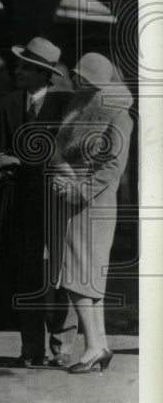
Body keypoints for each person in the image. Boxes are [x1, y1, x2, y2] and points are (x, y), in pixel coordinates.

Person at [0, 36, 77, 368]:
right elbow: (3, 148)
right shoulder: (10, 103)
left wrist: (21, 161)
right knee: (28, 274)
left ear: (43, 74)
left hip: (57, 201)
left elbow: (68, 153)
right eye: (20, 65)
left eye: (26, 67)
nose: (18, 71)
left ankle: (62, 345)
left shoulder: (66, 103)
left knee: (60, 273)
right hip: (23, 205)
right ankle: (31, 348)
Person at [49, 52, 132, 374]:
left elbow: (113, 166)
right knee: (82, 275)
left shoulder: (118, 114)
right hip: (73, 203)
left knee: (78, 276)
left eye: (81, 73)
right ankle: (99, 345)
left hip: (92, 203)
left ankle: (94, 347)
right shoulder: (78, 103)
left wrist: (76, 189)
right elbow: (62, 151)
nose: (74, 75)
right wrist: (63, 176)